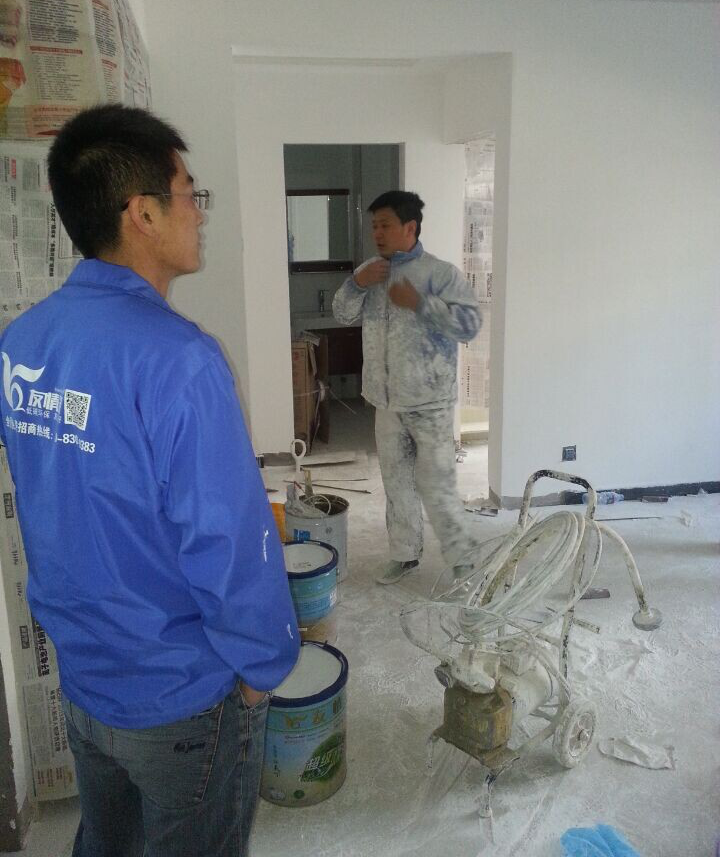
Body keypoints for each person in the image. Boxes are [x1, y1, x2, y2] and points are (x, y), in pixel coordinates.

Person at [0, 104, 299, 856]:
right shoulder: (179, 358)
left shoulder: (24, 340)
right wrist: (262, 664)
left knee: (108, 841)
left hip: (86, 674)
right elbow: (230, 538)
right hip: (180, 692)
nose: (199, 212)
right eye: (189, 193)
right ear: (142, 213)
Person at [333, 190, 482, 584]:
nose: (377, 234)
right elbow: (342, 314)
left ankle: (463, 563)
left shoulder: (440, 274)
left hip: (430, 403)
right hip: (385, 402)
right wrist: (356, 283)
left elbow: (469, 325)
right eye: (374, 226)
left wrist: (420, 303)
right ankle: (404, 554)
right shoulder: (371, 272)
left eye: (385, 225)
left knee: (437, 487)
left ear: (410, 227)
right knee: (397, 485)